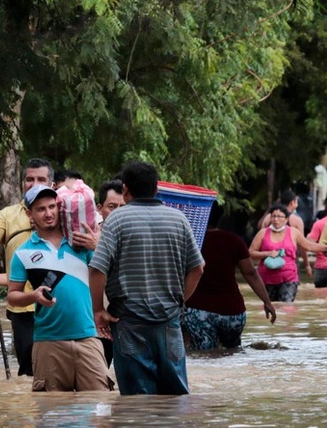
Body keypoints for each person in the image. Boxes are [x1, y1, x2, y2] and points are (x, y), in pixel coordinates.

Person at [89, 161, 204, 396]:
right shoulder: (179, 219)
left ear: (125, 189)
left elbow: (97, 270)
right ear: (156, 189)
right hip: (169, 322)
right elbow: (197, 269)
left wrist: (98, 311)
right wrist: (179, 300)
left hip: (129, 323)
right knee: (175, 397)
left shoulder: (116, 221)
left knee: (136, 401)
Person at [8, 184, 109, 392]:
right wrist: (33, 296)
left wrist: (98, 245)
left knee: (99, 408)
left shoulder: (80, 241)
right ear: (30, 214)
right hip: (48, 342)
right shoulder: (23, 253)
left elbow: (110, 271)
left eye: (52, 207)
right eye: (41, 209)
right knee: (51, 414)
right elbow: (12, 296)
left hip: (88, 337)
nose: (48, 213)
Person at [0, 157, 53, 377]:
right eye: (29, 179)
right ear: (22, 183)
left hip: (58, 305)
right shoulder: (9, 214)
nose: (34, 184)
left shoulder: (59, 212)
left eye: (41, 179)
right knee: (29, 373)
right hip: (23, 308)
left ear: (52, 184)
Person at [184, 201, 276, 350]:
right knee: (232, 352)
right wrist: (267, 301)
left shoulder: (191, 242)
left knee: (205, 355)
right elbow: (250, 273)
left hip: (198, 312)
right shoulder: (234, 241)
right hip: (233, 313)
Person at [69, 179, 126, 368]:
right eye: (112, 206)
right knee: (96, 379)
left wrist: (99, 247)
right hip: (92, 319)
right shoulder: (82, 236)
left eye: (123, 206)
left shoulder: (133, 236)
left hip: (123, 318)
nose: (118, 212)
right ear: (100, 209)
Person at [249, 204, 327, 302]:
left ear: (286, 219)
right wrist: (267, 254)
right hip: (267, 278)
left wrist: (326, 247)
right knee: (270, 308)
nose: (276, 219)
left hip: (289, 278)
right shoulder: (263, 233)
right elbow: (251, 253)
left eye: (279, 216)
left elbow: (309, 246)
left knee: (286, 308)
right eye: (273, 216)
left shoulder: (294, 232)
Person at [258, 190, 310, 272]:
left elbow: (260, 239)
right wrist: (307, 264)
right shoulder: (296, 220)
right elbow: (302, 245)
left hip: (269, 259)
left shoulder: (268, 217)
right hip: (289, 262)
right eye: (296, 202)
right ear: (292, 203)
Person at [307, 196, 327, 288]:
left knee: (320, 296)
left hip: (321, 266)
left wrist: (322, 250)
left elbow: (310, 245)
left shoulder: (318, 224)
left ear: (325, 207)